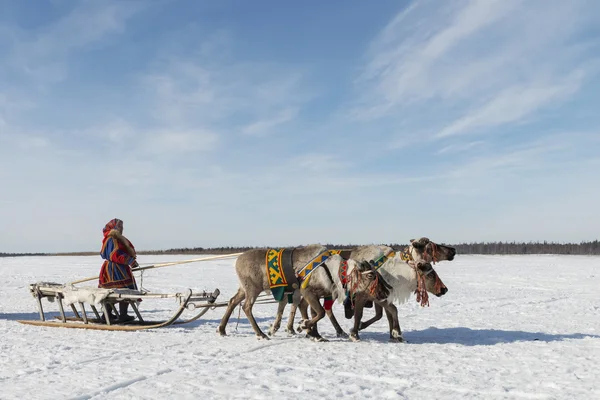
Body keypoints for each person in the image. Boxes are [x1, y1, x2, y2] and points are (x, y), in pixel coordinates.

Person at [98, 218, 140, 322]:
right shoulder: (111, 239)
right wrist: (130, 260)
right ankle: (110, 315)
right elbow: (115, 254)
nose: (122, 228)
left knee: (120, 291)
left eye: (122, 226)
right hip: (114, 270)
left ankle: (119, 314)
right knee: (119, 291)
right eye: (120, 226)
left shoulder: (117, 238)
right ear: (114, 227)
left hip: (119, 268)